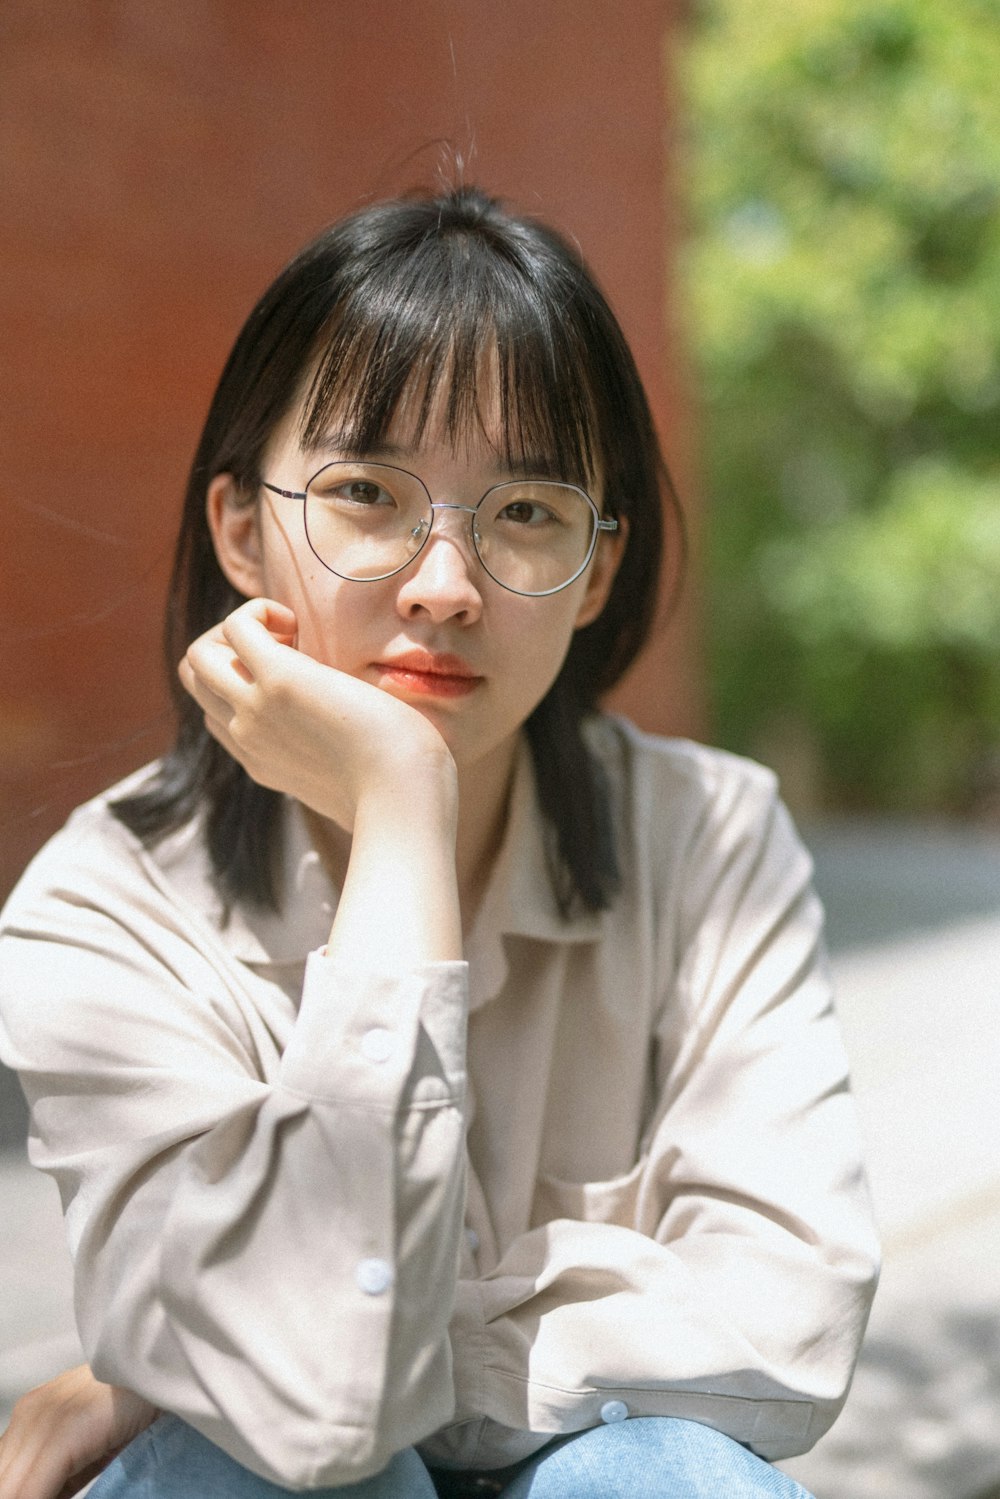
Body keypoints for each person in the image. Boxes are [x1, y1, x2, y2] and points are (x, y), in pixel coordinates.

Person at [0, 184, 878, 1499]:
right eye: (366, 492)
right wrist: (404, 807)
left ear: (595, 568)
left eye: (525, 512)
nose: (445, 586)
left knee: (662, 1469)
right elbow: (317, 1429)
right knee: (240, 1470)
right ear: (241, 529)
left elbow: (786, 1328)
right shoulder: (106, 899)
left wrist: (181, 1361)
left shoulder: (709, 835)